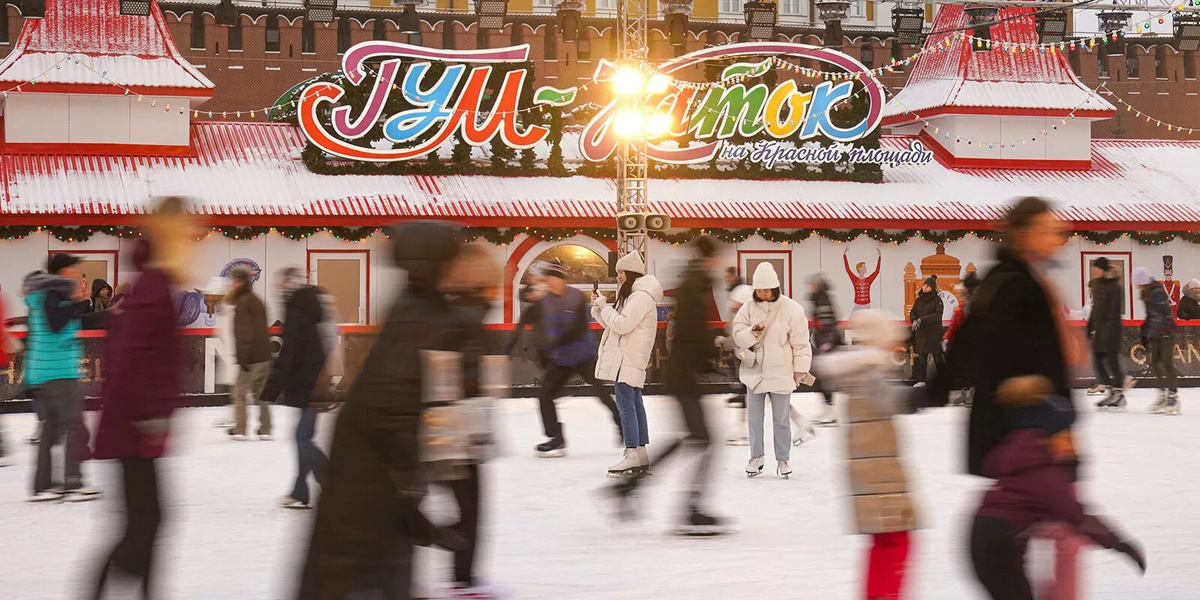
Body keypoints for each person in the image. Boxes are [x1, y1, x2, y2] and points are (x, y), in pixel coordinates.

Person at [922, 197, 1093, 600]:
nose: (1060, 236)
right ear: (1025, 233)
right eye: (1050, 228)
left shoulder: (1021, 279)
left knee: (1052, 532)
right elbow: (971, 340)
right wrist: (935, 389)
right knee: (1053, 530)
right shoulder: (1012, 282)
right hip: (1027, 429)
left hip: (1038, 424)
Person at [297, 222, 474, 600]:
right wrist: (412, 493)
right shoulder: (422, 318)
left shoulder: (416, 309)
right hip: (370, 492)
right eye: (454, 257)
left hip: (370, 487)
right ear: (434, 263)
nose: (462, 265)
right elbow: (392, 413)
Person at [92, 196, 192, 600]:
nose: (191, 235)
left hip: (136, 422)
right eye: (185, 227)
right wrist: (150, 414)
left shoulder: (156, 281)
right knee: (144, 525)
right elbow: (133, 353)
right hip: (134, 425)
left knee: (148, 523)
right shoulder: (154, 282)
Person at [969, 375, 1146, 600]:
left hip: (984, 539)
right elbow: (1077, 517)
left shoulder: (1018, 448)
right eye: (1065, 434)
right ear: (1049, 433)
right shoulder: (1041, 471)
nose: (1070, 442)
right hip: (998, 546)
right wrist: (1122, 544)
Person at [611, 237, 728, 535]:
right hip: (683, 375)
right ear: (708, 258)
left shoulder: (694, 281)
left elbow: (692, 334)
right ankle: (690, 508)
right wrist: (712, 351)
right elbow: (691, 333)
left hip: (683, 374)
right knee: (702, 439)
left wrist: (707, 356)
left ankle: (631, 488)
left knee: (693, 438)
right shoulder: (694, 285)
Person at [816, 310, 918, 600]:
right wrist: (927, 394)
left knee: (884, 542)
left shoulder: (856, 373)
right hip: (880, 476)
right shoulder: (870, 373)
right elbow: (895, 400)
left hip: (869, 473)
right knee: (898, 541)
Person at [429, 243, 503, 598]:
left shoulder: (460, 311)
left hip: (452, 426)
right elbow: (455, 379)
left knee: (467, 508)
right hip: (455, 429)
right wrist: (468, 432)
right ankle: (463, 581)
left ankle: (463, 578)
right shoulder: (468, 317)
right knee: (470, 510)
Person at [25, 253, 116, 502]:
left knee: (52, 431)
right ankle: (73, 482)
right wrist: (75, 300)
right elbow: (57, 323)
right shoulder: (53, 294)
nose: (76, 274)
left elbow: (72, 324)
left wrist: (109, 314)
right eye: (72, 269)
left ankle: (43, 486)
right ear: (62, 272)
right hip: (57, 373)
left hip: (47, 372)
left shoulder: (48, 295)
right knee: (76, 427)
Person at [508, 261, 622, 458]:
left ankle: (622, 423)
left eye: (552, 279)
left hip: (582, 355)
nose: (550, 284)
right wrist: (511, 347)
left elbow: (577, 330)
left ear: (561, 279)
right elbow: (527, 318)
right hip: (561, 359)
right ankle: (556, 437)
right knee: (544, 396)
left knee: (602, 393)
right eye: (547, 280)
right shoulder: (545, 302)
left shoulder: (576, 297)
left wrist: (553, 345)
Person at [731, 262, 814, 478]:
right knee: (754, 419)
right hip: (754, 373)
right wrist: (752, 333)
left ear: (775, 288)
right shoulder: (747, 307)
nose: (763, 294)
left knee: (781, 420)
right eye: (759, 291)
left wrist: (800, 370)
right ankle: (756, 457)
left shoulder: (792, 309)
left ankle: (783, 459)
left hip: (782, 371)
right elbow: (737, 335)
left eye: (766, 290)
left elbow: (801, 343)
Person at [260, 267, 330, 509]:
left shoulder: (297, 312)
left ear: (289, 286)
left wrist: (271, 389)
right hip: (314, 382)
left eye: (281, 284)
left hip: (308, 384)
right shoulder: (311, 307)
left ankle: (332, 482)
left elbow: (289, 354)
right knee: (303, 437)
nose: (278, 288)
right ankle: (300, 491)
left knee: (302, 438)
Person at [592, 251, 662, 478]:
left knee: (626, 405)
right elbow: (615, 325)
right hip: (630, 357)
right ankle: (640, 453)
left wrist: (605, 307)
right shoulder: (635, 296)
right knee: (634, 404)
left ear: (630, 272)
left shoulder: (640, 297)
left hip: (628, 358)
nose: (618, 276)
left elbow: (622, 325)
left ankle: (631, 453)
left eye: (621, 272)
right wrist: (599, 309)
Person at [225, 267, 274, 441]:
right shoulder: (256, 300)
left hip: (251, 357)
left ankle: (240, 429)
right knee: (261, 394)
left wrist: (243, 359)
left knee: (239, 393)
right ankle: (266, 429)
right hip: (264, 354)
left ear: (239, 282)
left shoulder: (242, 303)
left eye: (233, 281)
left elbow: (244, 334)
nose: (231, 284)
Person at [1133, 267, 1179, 415]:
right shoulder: (1146, 292)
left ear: (1143, 282)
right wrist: (1144, 331)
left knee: (1167, 364)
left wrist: (1153, 332)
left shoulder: (1157, 292)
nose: (1137, 286)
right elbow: (1150, 316)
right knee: (1153, 363)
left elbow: (1162, 314)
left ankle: (1173, 396)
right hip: (1156, 333)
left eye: (1138, 283)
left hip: (1166, 332)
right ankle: (1162, 395)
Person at [1089, 258, 1133, 409]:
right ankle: (1112, 390)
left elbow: (1113, 311)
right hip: (1101, 330)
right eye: (1094, 268)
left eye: (1098, 269)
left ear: (1104, 269)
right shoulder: (1097, 284)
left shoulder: (1115, 286)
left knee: (1112, 362)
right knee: (1097, 360)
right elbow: (1095, 309)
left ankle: (1119, 394)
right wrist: (1089, 327)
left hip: (1111, 330)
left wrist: (1106, 330)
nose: (1095, 271)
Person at [719, 284, 753, 446]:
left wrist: (726, 342)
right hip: (743, 357)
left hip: (750, 359)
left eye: (737, 303)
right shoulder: (736, 316)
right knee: (752, 394)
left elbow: (742, 340)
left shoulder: (748, 319)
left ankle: (743, 431)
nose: (732, 305)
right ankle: (741, 430)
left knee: (756, 394)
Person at [808, 274, 840, 425]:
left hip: (826, 345)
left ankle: (829, 412)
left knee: (824, 379)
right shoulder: (819, 299)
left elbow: (829, 324)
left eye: (813, 284)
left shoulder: (822, 301)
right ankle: (827, 410)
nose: (810, 287)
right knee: (822, 379)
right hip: (823, 344)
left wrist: (826, 343)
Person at [944, 272, 980, 406]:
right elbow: (955, 323)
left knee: (974, 369)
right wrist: (947, 338)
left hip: (977, 341)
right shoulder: (963, 304)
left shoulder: (979, 303)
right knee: (965, 369)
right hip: (966, 342)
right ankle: (965, 394)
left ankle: (972, 394)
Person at [908, 275, 944, 386]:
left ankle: (943, 380)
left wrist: (921, 320)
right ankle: (921, 380)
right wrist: (914, 320)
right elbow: (913, 312)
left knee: (937, 358)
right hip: (921, 334)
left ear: (932, 288)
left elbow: (937, 315)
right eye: (924, 285)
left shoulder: (937, 300)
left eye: (927, 286)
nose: (924, 288)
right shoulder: (919, 300)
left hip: (933, 334)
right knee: (922, 358)